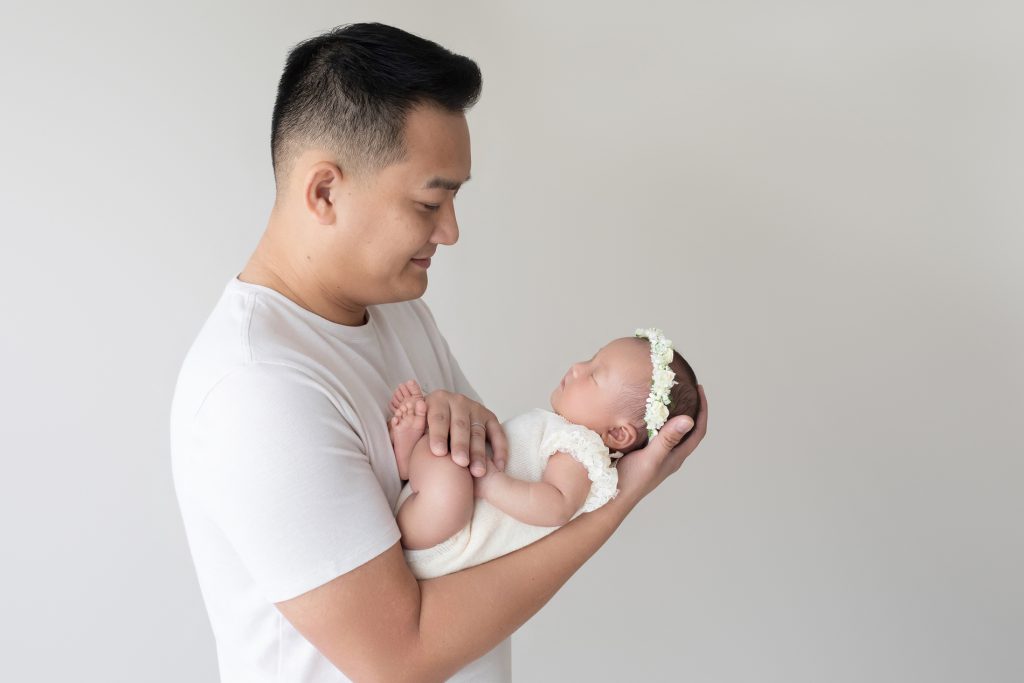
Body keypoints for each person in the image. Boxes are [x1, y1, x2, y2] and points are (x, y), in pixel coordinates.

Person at [169, 21, 708, 683]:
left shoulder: (400, 312)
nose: (449, 231)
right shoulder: (255, 390)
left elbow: (492, 519)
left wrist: (475, 427)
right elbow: (400, 654)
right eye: (431, 201)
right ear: (325, 191)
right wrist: (618, 500)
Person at [386, 329, 701, 580]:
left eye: (593, 375)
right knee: (455, 445)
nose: (577, 368)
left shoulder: (583, 453)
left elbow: (556, 506)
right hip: (439, 510)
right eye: (590, 359)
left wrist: (491, 484)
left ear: (618, 434)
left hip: (445, 535)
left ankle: (410, 457)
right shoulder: (562, 432)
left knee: (454, 469)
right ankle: (409, 458)